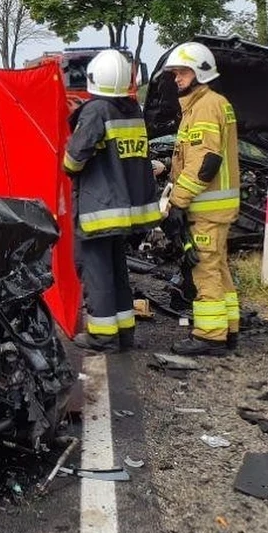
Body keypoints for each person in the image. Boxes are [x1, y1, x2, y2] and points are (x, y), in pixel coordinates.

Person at [63, 50, 161, 353]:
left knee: (97, 273)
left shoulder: (96, 112)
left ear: (95, 78)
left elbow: (72, 161)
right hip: (125, 212)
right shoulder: (132, 110)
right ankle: (124, 332)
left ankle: (103, 337)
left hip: (99, 210)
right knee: (118, 271)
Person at [154, 42, 241, 357]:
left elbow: (205, 161)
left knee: (204, 270)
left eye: (183, 72)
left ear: (201, 71)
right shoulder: (210, 103)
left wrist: (177, 201)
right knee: (218, 269)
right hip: (216, 208)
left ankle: (210, 336)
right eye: (175, 72)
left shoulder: (205, 106)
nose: (177, 78)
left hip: (206, 207)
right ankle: (228, 330)